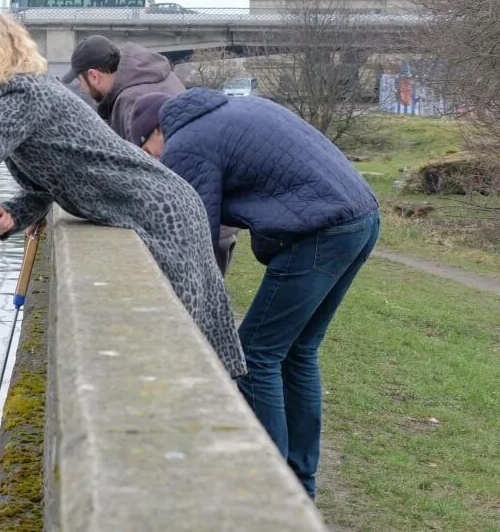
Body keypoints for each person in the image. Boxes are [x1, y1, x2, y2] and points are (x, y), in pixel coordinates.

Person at [0, 9, 246, 378]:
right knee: (193, 333)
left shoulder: (23, 94)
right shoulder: (15, 103)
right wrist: (12, 214)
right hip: (153, 207)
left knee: (193, 337)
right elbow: (41, 192)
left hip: (160, 210)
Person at [128, 89, 380, 498]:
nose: (154, 163)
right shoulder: (229, 107)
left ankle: (272, 491)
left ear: (155, 131)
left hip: (322, 231)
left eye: (147, 152)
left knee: (256, 353)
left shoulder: (186, 143)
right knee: (298, 350)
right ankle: (300, 486)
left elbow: (193, 238)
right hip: (361, 218)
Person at [60, 36, 241, 273]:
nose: (82, 88)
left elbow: (137, 179)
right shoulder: (157, 77)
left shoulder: (131, 100)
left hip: (195, 222)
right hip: (213, 214)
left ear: (94, 75)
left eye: (81, 81)